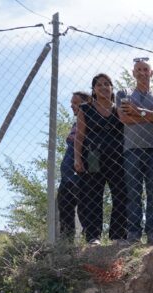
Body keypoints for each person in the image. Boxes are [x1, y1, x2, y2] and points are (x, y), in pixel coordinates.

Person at [118, 58, 153, 244]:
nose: (142, 72)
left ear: (151, 73)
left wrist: (139, 112)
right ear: (133, 73)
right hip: (131, 149)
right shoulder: (123, 93)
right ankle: (133, 233)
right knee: (133, 193)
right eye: (138, 69)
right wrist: (152, 117)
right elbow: (124, 118)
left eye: (145, 69)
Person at [74, 73, 126, 244]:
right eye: (99, 85)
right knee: (94, 196)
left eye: (107, 84)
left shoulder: (119, 109)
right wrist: (77, 159)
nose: (103, 87)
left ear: (112, 88)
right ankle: (93, 236)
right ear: (94, 90)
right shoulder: (85, 109)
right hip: (93, 158)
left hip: (117, 158)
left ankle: (118, 235)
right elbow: (79, 137)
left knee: (120, 194)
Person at [58, 91, 91, 242]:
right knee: (64, 205)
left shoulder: (90, 121)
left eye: (76, 102)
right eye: (71, 102)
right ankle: (66, 241)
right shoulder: (75, 123)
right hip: (67, 176)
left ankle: (89, 238)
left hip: (79, 172)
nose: (72, 105)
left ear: (88, 103)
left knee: (85, 204)